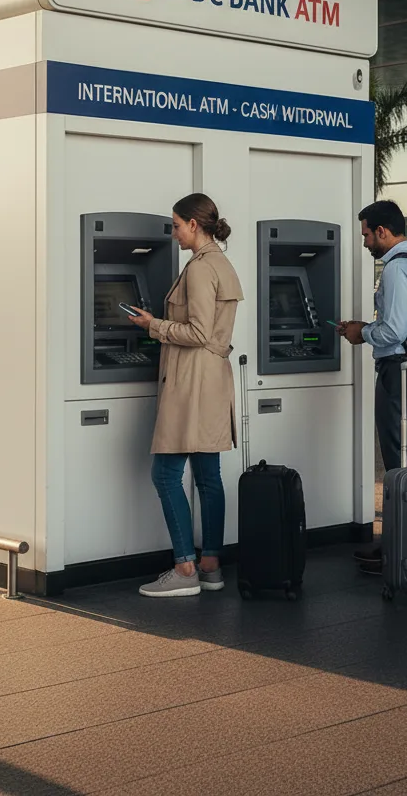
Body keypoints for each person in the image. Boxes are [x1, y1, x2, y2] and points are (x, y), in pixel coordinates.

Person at [127, 193, 243, 598]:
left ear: (195, 224)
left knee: (165, 474)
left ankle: (183, 567)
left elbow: (197, 333)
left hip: (191, 381)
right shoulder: (221, 264)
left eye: (176, 225)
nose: (173, 232)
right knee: (209, 477)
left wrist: (152, 324)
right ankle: (210, 566)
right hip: (213, 380)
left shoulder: (199, 269)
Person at [336, 200, 407, 569]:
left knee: (399, 463)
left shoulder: (396, 269)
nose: (364, 242)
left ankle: (399, 550)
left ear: (382, 231)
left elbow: (394, 330)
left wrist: (361, 332)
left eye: (366, 234)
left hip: (399, 373)